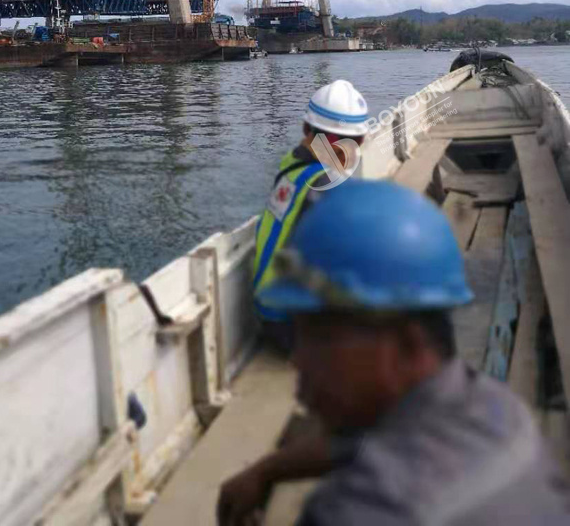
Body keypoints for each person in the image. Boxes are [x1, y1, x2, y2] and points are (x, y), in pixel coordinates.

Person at [220, 179, 570, 525]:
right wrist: (266, 470)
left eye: (320, 338)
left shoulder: (362, 511)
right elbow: (356, 443)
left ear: (408, 342)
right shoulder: (499, 410)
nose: (298, 359)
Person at [253, 80, 369, 343]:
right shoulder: (328, 187)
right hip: (293, 327)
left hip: (268, 311)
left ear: (306, 129)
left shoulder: (292, 164)